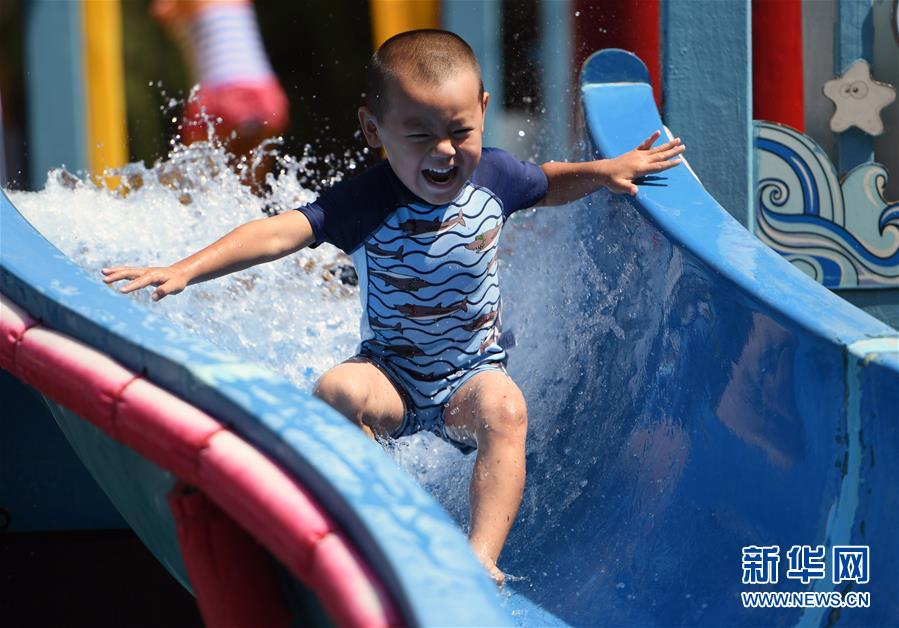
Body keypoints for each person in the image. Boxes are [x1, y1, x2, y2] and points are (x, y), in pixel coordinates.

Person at [102, 29, 684, 586]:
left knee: (506, 411)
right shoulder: (366, 201)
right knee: (336, 390)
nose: (444, 150)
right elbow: (279, 232)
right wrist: (186, 268)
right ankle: (383, 525)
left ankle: (480, 559)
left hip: (470, 376)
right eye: (419, 135)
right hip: (392, 376)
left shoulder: (494, 177)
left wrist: (605, 172)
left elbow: (547, 182)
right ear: (373, 129)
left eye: (459, 130)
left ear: (483, 110)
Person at [151, 0, 289, 186]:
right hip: (266, 96)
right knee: (250, 188)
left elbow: (161, 10)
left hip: (219, 97)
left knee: (196, 187)